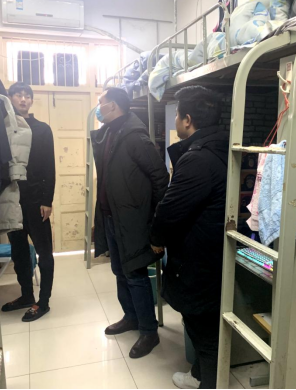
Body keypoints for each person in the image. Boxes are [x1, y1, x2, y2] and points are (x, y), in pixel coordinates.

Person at [150, 86, 229, 390]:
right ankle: (198, 376)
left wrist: (157, 237)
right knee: (203, 323)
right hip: (214, 250)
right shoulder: (222, 147)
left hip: (199, 257)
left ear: (187, 120)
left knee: (204, 331)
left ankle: (207, 382)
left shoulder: (198, 159)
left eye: (177, 116)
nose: (175, 121)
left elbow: (170, 209)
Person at [92, 87, 169, 359]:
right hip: (112, 217)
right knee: (119, 270)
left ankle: (149, 332)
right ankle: (131, 317)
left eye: (101, 103)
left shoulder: (135, 137)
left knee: (135, 274)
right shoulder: (110, 133)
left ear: (113, 106)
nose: (98, 107)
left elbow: (161, 179)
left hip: (133, 219)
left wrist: (153, 218)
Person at [1, 82, 56, 323]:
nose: (23, 99)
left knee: (44, 252)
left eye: (27, 96)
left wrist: (47, 200)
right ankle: (26, 295)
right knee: (19, 251)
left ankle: (43, 302)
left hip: (35, 200)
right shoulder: (3, 127)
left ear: (31, 100)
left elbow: (49, 167)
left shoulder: (42, 129)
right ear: (10, 98)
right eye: (18, 95)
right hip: (12, 199)